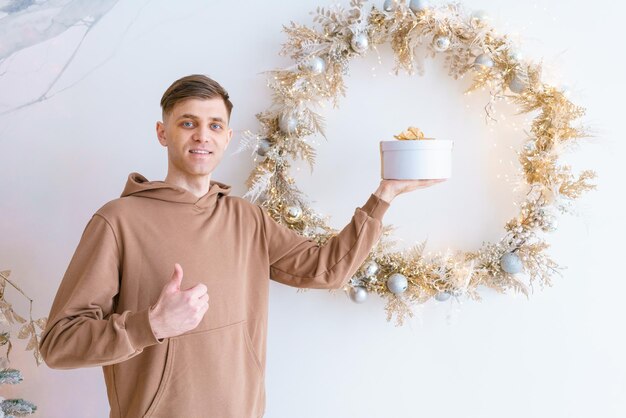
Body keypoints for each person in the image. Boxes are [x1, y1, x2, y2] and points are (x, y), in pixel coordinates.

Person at [39, 74, 445, 418]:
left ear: (228, 137)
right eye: (187, 124)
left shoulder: (247, 218)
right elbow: (59, 344)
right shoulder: (118, 220)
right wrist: (153, 325)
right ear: (162, 132)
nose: (202, 135)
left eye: (215, 125)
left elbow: (328, 270)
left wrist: (385, 195)